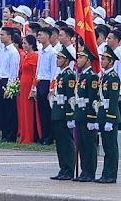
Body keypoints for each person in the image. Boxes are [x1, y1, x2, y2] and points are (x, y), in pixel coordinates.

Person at [51, 46, 78, 181]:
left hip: (65, 113)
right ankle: (63, 168)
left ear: (67, 61)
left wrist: (70, 116)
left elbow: (71, 98)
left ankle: (69, 169)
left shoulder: (69, 75)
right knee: (60, 143)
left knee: (67, 143)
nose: (57, 60)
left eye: (60, 58)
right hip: (58, 112)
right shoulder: (60, 75)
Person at [100, 41, 121, 184]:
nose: (102, 61)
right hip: (104, 115)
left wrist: (110, 119)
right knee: (106, 147)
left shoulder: (113, 77)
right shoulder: (105, 76)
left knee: (111, 147)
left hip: (111, 116)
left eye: (104, 59)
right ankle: (106, 173)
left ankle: (111, 174)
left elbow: (114, 100)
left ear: (111, 62)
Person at [76, 47, 101, 183]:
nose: (78, 60)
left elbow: (93, 99)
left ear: (88, 60)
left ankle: (90, 172)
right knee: (82, 145)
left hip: (87, 115)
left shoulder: (92, 77)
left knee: (89, 145)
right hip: (80, 114)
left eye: (81, 57)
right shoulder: (83, 76)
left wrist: (92, 118)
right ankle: (84, 170)